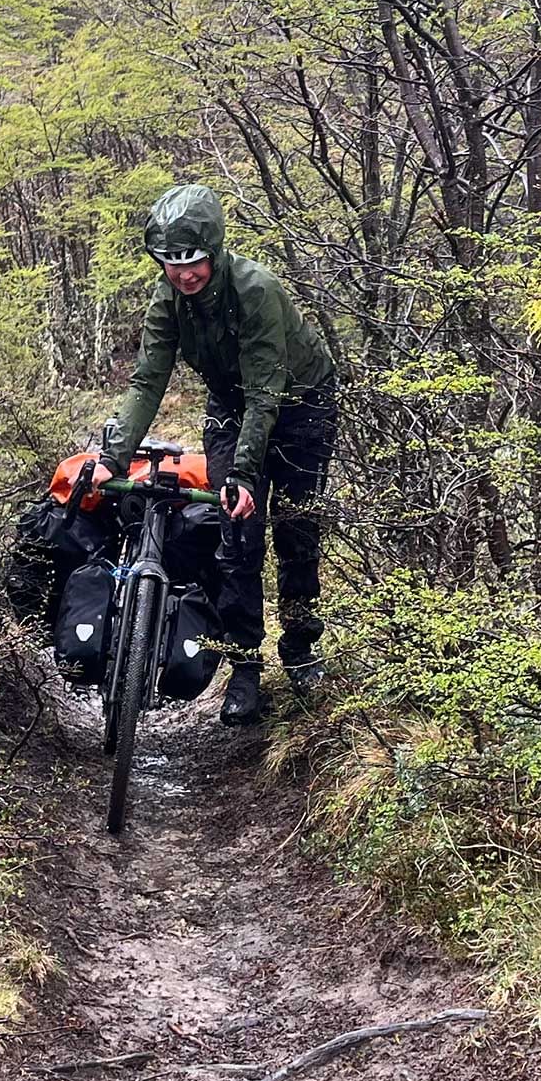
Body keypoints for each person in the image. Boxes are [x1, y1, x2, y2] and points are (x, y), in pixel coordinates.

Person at [93, 183, 337, 724]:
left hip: (300, 407)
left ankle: (300, 652)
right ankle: (245, 668)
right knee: (236, 538)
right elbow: (147, 381)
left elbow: (266, 390)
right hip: (231, 404)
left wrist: (246, 473)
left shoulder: (255, 289)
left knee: (296, 534)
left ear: (214, 251)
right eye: (171, 262)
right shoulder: (168, 300)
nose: (183, 274)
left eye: (193, 261)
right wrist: (113, 457)